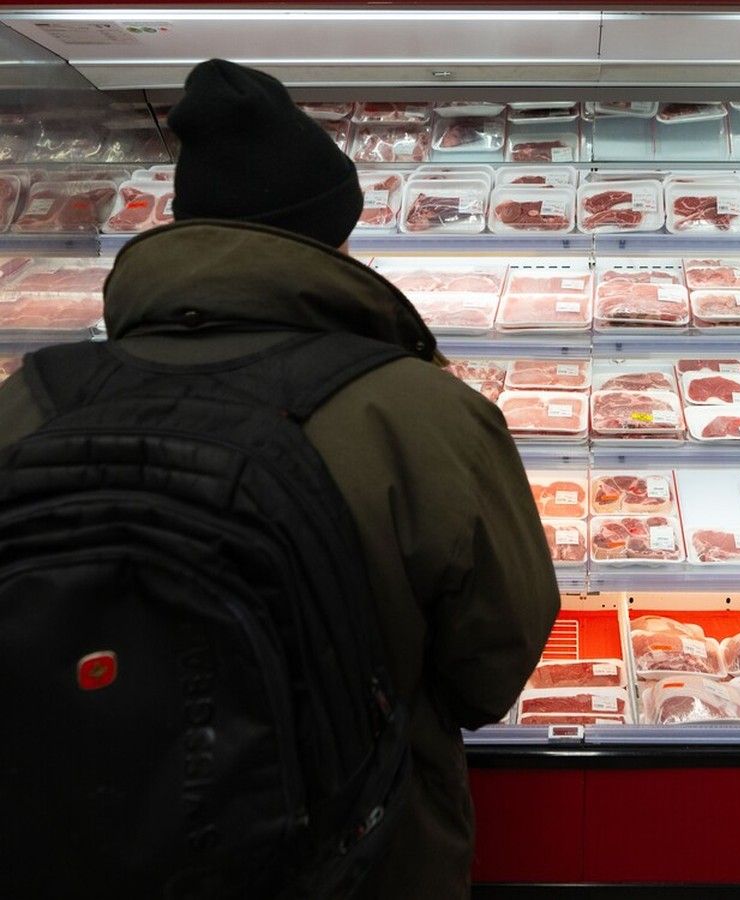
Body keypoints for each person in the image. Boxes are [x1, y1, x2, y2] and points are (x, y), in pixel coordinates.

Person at [0, 60, 560, 898]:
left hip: (66, 852)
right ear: (329, 238)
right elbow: (490, 673)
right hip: (353, 862)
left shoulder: (28, 403)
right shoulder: (419, 412)